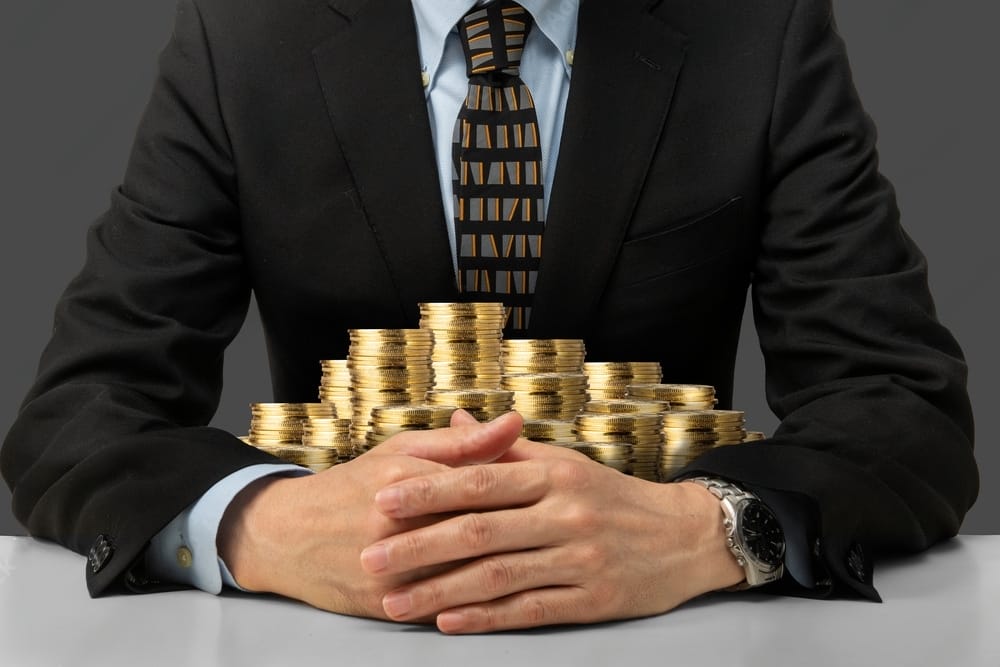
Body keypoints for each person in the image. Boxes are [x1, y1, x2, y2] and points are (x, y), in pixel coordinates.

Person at [0, 0, 978, 634]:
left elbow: (899, 408)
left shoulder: (758, 32)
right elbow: (80, 412)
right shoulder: (239, 40)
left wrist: (708, 528)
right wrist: (263, 523)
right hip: (325, 637)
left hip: (671, 633)